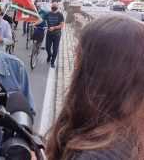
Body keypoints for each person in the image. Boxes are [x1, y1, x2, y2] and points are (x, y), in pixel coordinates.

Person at [46, 16, 144, 160]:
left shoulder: (96, 153)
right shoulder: (129, 129)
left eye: (77, 54)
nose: (75, 63)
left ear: (96, 70)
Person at [33, 1, 64, 68]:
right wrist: (33, 24)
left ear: (58, 7)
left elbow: (61, 25)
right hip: (49, 34)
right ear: (51, 6)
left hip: (57, 35)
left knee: (55, 49)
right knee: (47, 48)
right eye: (53, 6)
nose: (54, 7)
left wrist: (54, 27)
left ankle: (52, 62)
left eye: (55, 6)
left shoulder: (60, 15)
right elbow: (41, 20)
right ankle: (49, 55)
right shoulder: (48, 14)